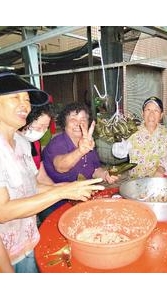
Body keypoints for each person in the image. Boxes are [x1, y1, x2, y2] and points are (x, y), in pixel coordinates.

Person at [0, 71, 104, 273]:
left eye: (27, 99)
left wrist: (63, 187)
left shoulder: (22, 143)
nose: (25, 104)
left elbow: (32, 185)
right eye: (15, 97)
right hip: (6, 253)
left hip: (28, 240)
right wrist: (60, 192)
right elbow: (3, 212)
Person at [42, 101, 118, 184]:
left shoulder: (88, 142)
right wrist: (80, 151)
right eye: (73, 119)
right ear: (65, 122)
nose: (78, 124)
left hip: (84, 192)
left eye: (83, 119)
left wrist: (104, 175)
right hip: (61, 195)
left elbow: (95, 170)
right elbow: (60, 167)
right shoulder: (57, 143)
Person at [112, 96, 167, 178]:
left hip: (157, 182)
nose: (151, 114)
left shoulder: (166, 135)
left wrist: (162, 169)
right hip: (135, 182)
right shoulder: (133, 132)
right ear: (142, 113)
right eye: (148, 110)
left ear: (161, 115)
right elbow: (119, 154)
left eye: (156, 110)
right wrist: (119, 137)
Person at [20, 104, 55, 185]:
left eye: (46, 127)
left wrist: (57, 188)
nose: (41, 132)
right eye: (38, 128)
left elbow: (41, 176)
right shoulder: (8, 144)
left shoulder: (35, 143)